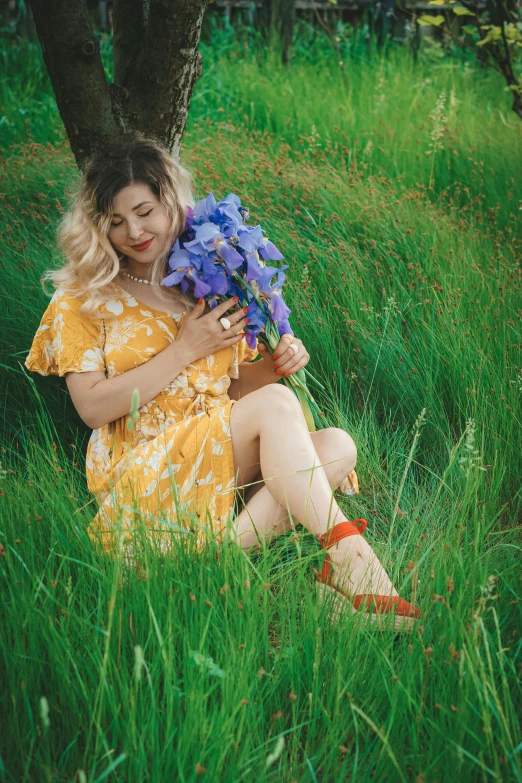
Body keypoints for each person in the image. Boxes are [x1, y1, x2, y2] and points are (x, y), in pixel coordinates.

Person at [24, 133, 421, 631]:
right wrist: (185, 348)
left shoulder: (205, 279)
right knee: (282, 412)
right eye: (115, 221)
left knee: (337, 446)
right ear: (96, 226)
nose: (134, 231)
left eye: (144, 211)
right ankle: (357, 568)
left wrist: (277, 363)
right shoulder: (82, 298)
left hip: (215, 448)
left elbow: (230, 393)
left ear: (170, 198)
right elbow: (93, 408)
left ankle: (212, 563)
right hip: (142, 467)